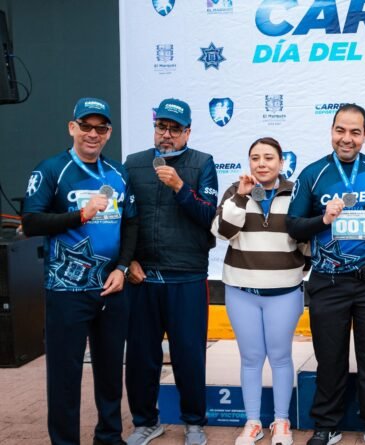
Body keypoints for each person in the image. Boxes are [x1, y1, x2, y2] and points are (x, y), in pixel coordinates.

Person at [286, 104, 365, 445]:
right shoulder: (313, 174)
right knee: (329, 357)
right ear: (331, 131)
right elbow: (293, 226)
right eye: (341, 130)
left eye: (355, 132)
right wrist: (323, 219)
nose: (347, 138)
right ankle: (327, 424)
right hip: (328, 282)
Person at [22, 97, 137, 445]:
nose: (92, 134)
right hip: (66, 289)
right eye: (85, 126)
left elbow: (131, 224)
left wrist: (122, 267)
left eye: (100, 128)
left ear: (109, 133)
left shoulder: (118, 173)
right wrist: (80, 215)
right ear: (72, 127)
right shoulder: (52, 169)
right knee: (65, 375)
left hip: (111, 287)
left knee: (110, 371)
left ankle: (109, 437)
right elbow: (31, 222)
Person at [123, 98, 219, 445]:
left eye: (175, 129)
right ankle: (145, 422)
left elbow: (209, 217)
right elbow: (124, 219)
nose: (166, 134)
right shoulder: (133, 164)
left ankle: (194, 423)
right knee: (141, 357)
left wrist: (180, 187)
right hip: (142, 277)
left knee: (189, 356)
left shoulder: (202, 163)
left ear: (187, 132)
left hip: (187, 276)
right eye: (161, 127)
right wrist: (127, 261)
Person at [211, 137, 309, 445]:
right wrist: (241, 197)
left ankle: (281, 422)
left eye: (269, 157)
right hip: (241, 291)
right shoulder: (235, 190)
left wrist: (297, 272)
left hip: (285, 292)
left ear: (281, 162)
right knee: (251, 357)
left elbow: (306, 241)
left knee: (280, 356)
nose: (262, 163)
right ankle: (252, 422)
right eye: (255, 158)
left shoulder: (297, 192)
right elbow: (222, 232)